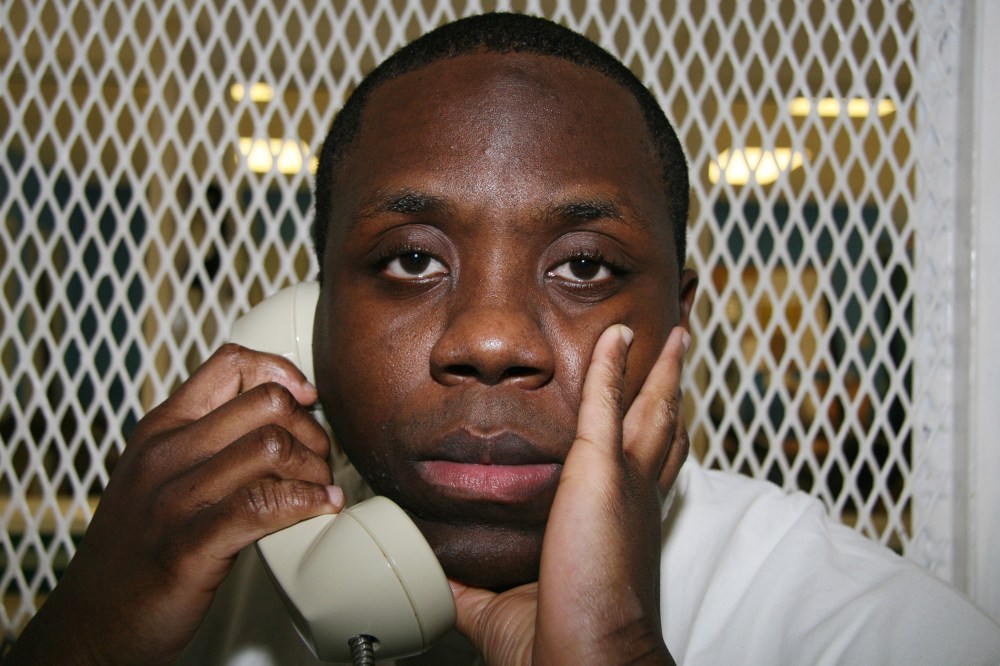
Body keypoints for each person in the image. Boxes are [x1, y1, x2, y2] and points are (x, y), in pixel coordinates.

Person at [8, 12, 1000, 665]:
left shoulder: (877, 636)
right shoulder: (176, 613)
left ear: (678, 324)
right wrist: (82, 639)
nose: (489, 341)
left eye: (584, 267)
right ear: (311, 321)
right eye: (410, 259)